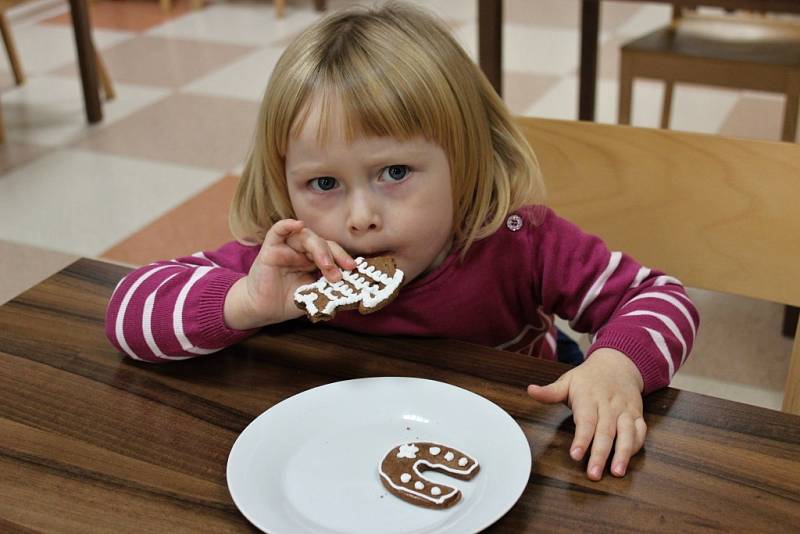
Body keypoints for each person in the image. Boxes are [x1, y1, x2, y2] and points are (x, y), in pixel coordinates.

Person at [105, 2, 699, 482]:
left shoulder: (519, 239)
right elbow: (127, 312)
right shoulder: (290, 265)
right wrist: (245, 305)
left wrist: (617, 365)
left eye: (394, 173)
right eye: (323, 183)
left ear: (466, 160)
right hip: (355, 457)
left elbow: (661, 296)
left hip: (522, 437)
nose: (360, 218)